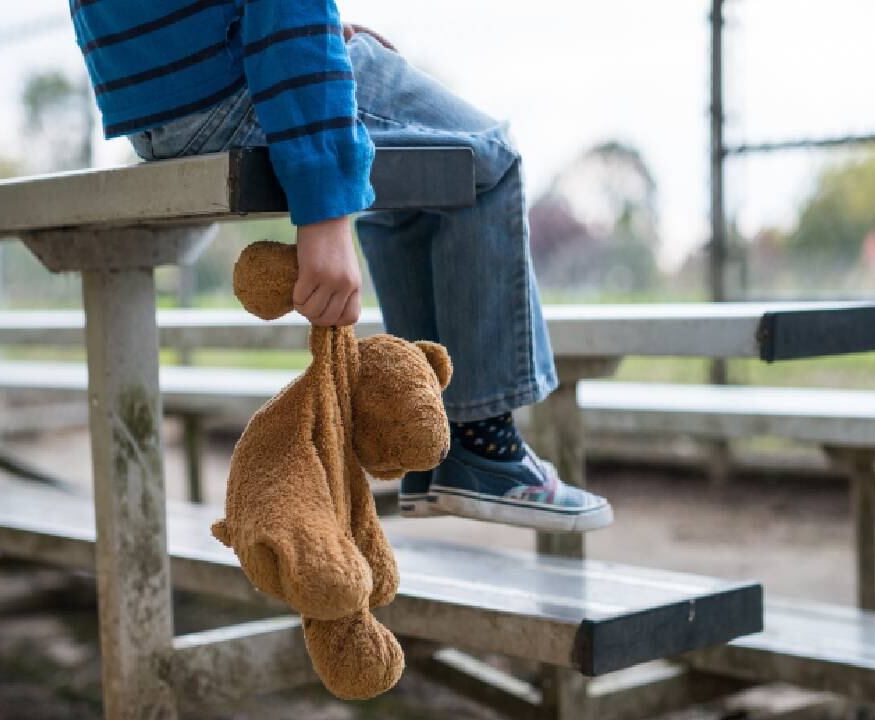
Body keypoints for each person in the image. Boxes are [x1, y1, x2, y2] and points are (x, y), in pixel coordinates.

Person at [70, 1, 612, 532]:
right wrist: (325, 211)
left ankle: (431, 437)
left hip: (148, 104)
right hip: (235, 80)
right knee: (487, 156)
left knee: (409, 179)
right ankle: (482, 446)